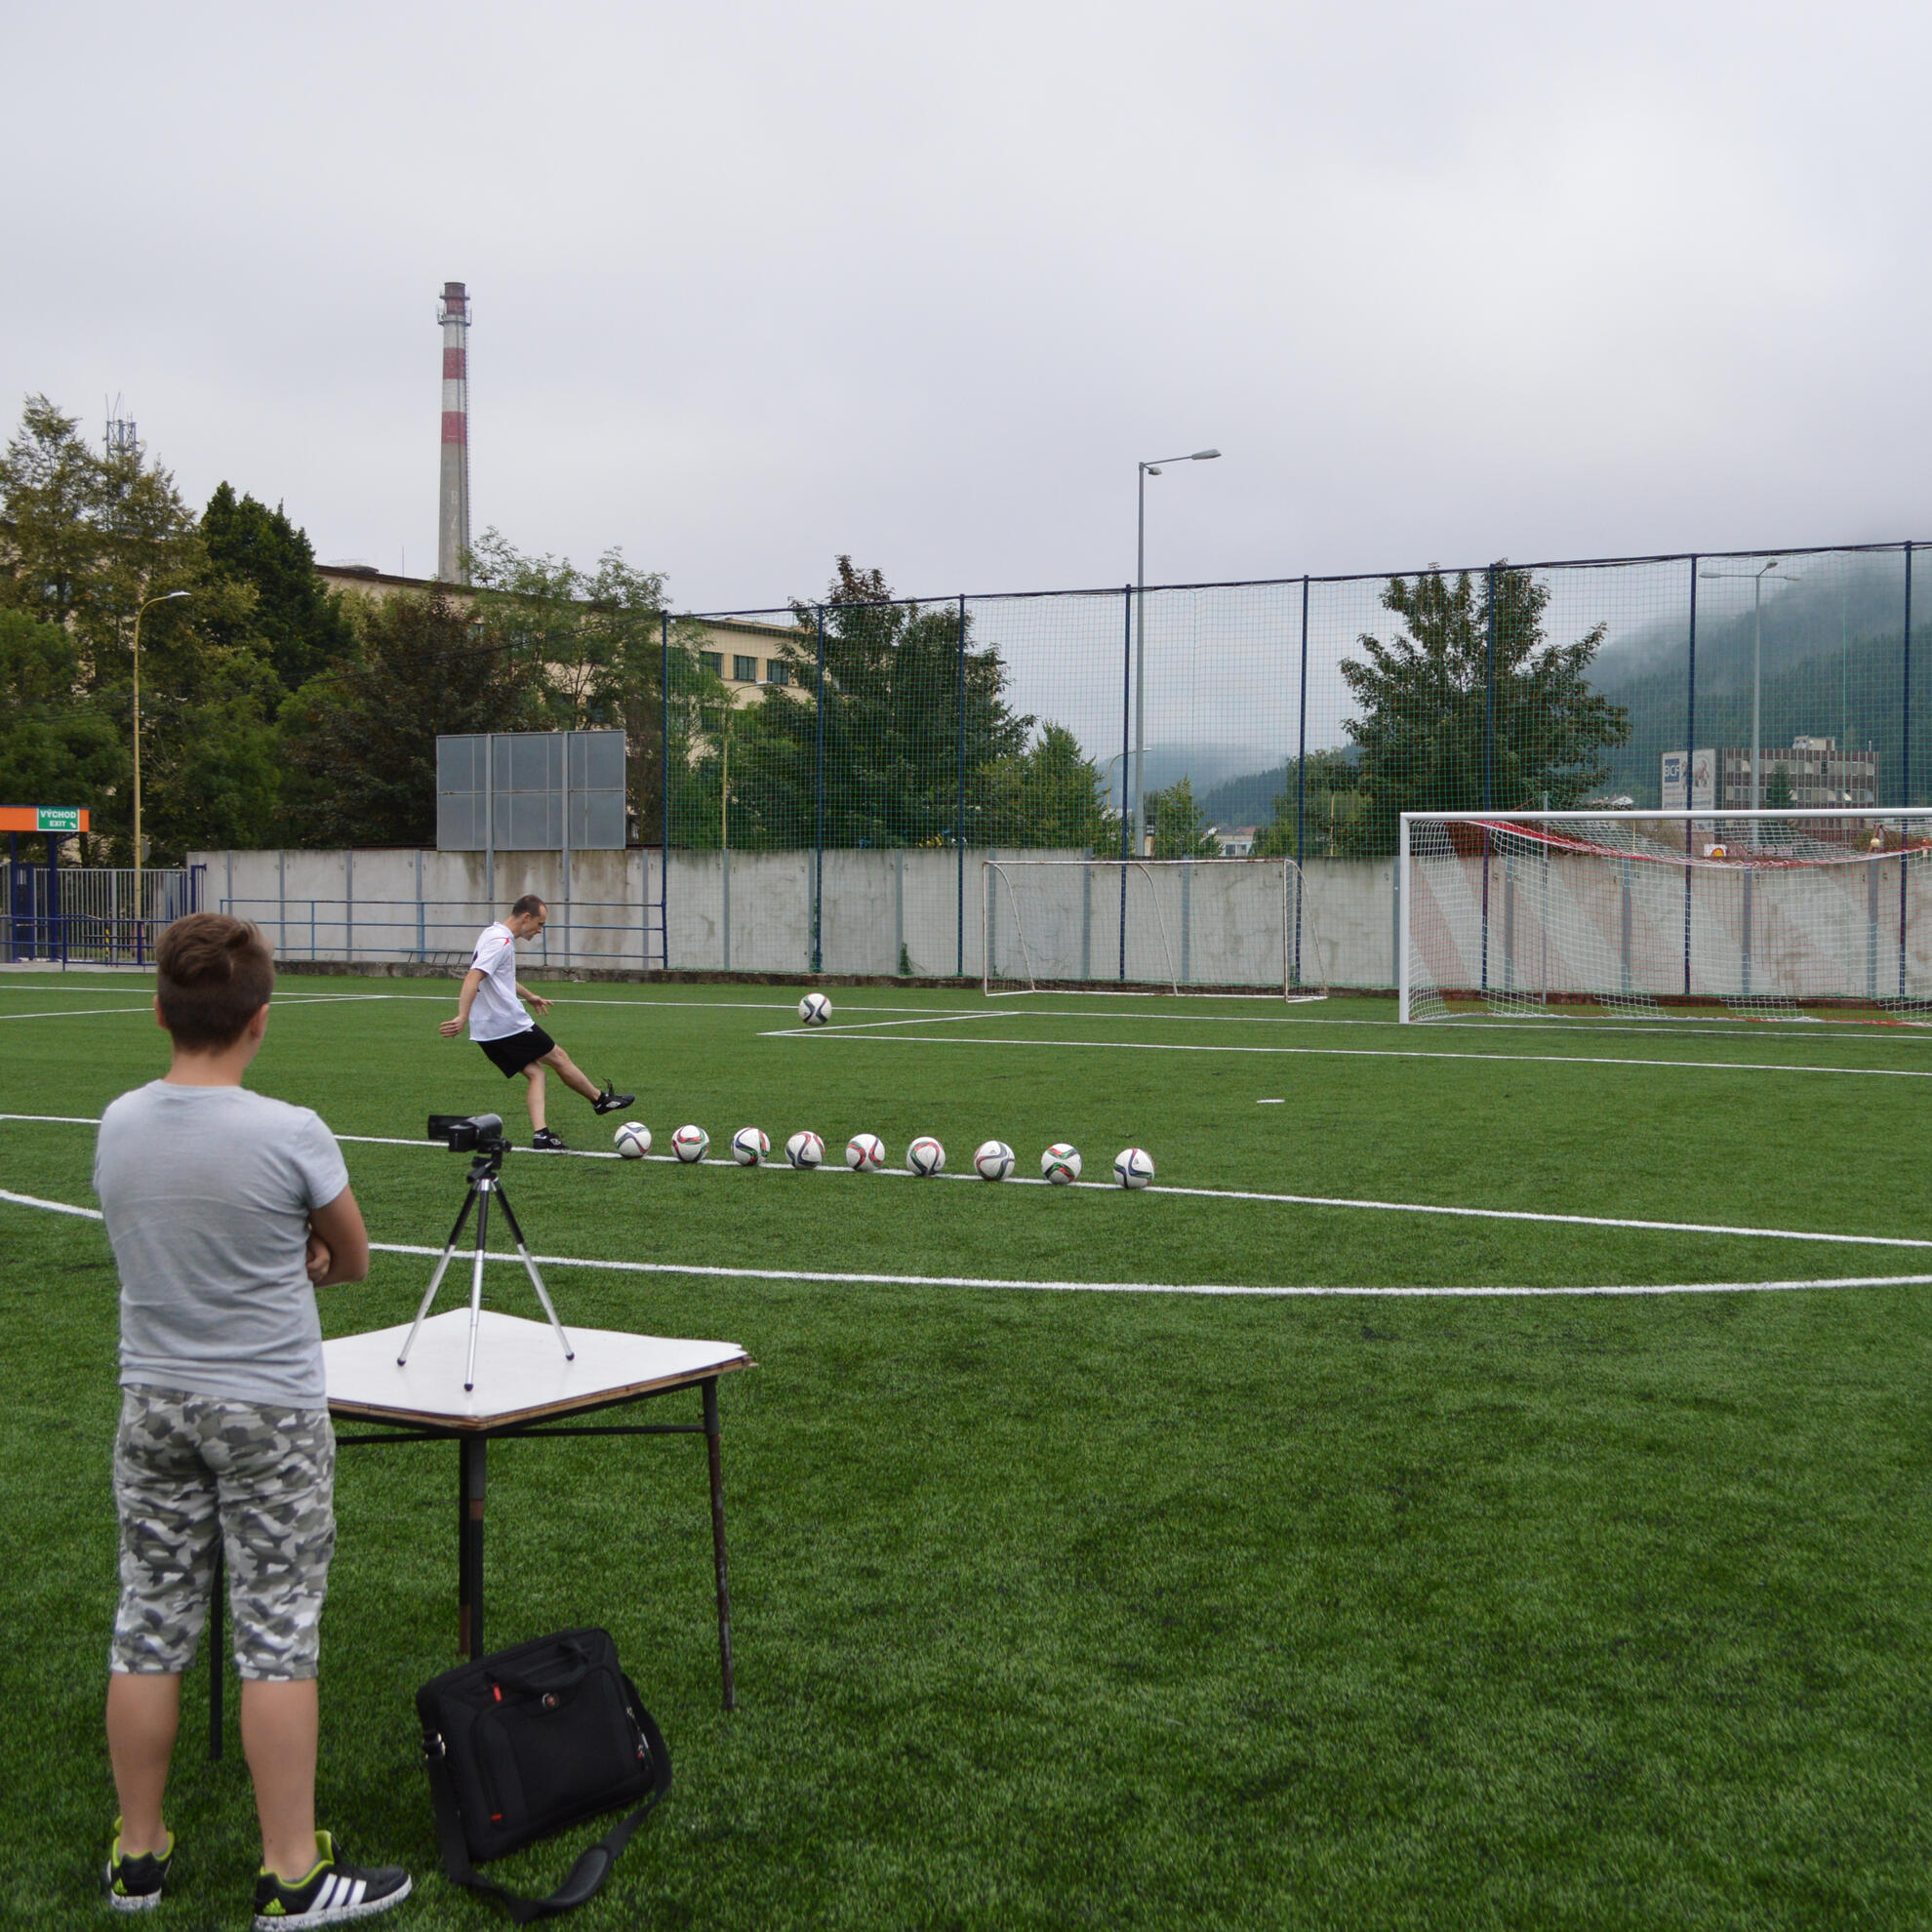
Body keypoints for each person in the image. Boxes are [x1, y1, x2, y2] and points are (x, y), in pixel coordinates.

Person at [96, 912, 412, 1923]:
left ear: (160, 1014)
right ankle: (290, 1870)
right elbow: (352, 1258)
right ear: (260, 1020)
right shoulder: (291, 1130)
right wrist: (302, 1255)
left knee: (149, 1621)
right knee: (277, 1632)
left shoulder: (118, 1122)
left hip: (154, 1402)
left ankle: (138, 1856)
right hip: (269, 1410)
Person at [438, 894, 633, 1150]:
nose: (540, 930)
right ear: (526, 917)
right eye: (540, 924)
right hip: (506, 1024)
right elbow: (473, 977)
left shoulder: (492, 933)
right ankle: (599, 1100)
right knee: (558, 1057)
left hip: (487, 1031)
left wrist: (529, 996)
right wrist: (461, 1015)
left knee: (536, 1073)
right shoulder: (500, 941)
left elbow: (499, 977)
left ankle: (541, 1135)